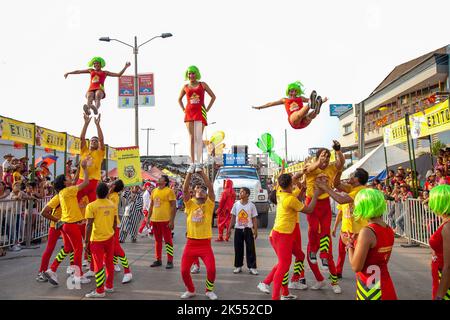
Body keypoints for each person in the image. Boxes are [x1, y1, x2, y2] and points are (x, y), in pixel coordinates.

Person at [258, 173, 320, 300]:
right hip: (282, 235)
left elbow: (297, 199)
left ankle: (271, 284)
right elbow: (309, 210)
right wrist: (316, 195)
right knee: (284, 265)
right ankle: (276, 296)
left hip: (282, 234)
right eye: (293, 183)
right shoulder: (289, 199)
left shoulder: (280, 193)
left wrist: (302, 188)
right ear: (290, 185)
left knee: (298, 257)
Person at [303, 140, 345, 292]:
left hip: (325, 204)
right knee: (313, 229)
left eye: (327, 157)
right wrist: (318, 161)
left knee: (325, 233)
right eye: (323, 156)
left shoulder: (331, 167)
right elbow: (311, 167)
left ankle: (334, 283)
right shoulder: (310, 166)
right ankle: (319, 278)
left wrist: (338, 151)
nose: (326, 159)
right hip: (312, 204)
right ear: (317, 158)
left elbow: (341, 163)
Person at [44, 159, 91, 286]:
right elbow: (86, 182)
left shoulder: (63, 192)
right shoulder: (68, 191)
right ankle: (78, 275)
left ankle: (52, 269)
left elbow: (75, 182)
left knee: (69, 248)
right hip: (70, 224)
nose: (70, 178)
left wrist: (79, 169)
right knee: (78, 249)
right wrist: (85, 168)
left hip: (66, 224)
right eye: (67, 178)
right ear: (64, 183)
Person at [346, 188, 397, 300]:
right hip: (385, 285)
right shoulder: (388, 229)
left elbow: (356, 266)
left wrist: (350, 246)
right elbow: (383, 260)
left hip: (370, 289)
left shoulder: (367, 231)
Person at [320, 168, 370, 279]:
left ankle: (364, 281)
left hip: (357, 233)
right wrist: (339, 169)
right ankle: (339, 271)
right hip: (347, 231)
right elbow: (336, 184)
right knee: (344, 254)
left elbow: (341, 200)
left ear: (357, 179)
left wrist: (326, 188)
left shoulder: (359, 191)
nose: (350, 177)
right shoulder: (353, 188)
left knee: (358, 260)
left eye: (352, 175)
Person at [180, 165, 218, 300]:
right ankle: (190, 290)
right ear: (194, 193)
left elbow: (211, 188)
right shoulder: (189, 204)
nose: (200, 191)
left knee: (212, 270)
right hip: (191, 244)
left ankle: (209, 290)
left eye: (203, 190)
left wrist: (202, 173)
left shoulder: (209, 205)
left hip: (205, 245)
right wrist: (189, 173)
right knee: (184, 271)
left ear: (206, 194)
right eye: (198, 189)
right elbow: (184, 189)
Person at [178, 65, 216, 170]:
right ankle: (192, 163)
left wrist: (207, 108)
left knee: (199, 138)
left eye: (193, 73)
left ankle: (198, 163)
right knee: (191, 138)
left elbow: (213, 96)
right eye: (189, 73)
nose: (191, 75)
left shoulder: (202, 85)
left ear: (197, 74)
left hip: (200, 112)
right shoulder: (185, 86)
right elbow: (179, 99)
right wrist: (183, 109)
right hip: (189, 113)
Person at [84, 183, 118, 298]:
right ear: (107, 192)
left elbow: (88, 225)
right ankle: (109, 286)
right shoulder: (112, 205)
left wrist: (86, 242)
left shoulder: (91, 206)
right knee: (109, 263)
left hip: (97, 240)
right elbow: (114, 222)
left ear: (96, 193)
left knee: (98, 265)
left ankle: (100, 291)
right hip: (109, 238)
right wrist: (111, 233)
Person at [64, 57, 131, 115]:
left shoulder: (105, 72)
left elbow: (118, 75)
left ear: (101, 64)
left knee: (97, 95)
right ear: (93, 65)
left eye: (98, 63)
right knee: (89, 96)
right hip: (91, 88)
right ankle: (88, 110)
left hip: (99, 88)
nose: (96, 64)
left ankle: (95, 108)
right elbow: (78, 71)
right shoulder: (91, 70)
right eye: (95, 63)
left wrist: (125, 67)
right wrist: (69, 73)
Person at [252, 81, 328, 130]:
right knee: (297, 114)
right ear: (288, 92)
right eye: (292, 91)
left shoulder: (300, 98)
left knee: (308, 117)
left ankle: (315, 111)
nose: (293, 93)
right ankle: (310, 105)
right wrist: (260, 107)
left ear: (297, 92)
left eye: (295, 91)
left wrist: (322, 101)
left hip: (304, 122)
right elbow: (271, 103)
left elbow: (314, 100)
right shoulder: (284, 100)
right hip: (294, 121)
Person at [227, 187, 258, 275]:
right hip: (238, 230)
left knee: (250, 249)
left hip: (248, 229)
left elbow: (254, 218)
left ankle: (252, 267)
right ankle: (238, 266)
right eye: (240, 192)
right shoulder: (236, 204)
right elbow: (232, 217)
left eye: (242, 192)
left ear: (247, 194)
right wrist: (229, 229)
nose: (240, 194)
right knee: (238, 248)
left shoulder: (251, 205)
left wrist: (255, 230)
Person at [148, 175, 176, 268]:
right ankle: (158, 259)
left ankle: (170, 260)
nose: (159, 179)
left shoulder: (169, 191)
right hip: (155, 220)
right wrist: (148, 218)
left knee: (168, 241)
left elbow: (173, 206)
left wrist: (172, 220)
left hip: (165, 220)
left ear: (165, 182)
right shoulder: (154, 191)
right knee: (157, 241)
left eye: (161, 179)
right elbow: (151, 205)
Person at [428, 185, 450, 300]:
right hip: (439, 276)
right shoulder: (445, 222)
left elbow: (449, 266)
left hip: (445, 280)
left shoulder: (447, 227)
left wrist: (439, 296)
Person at [108, 180, 132, 284]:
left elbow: (111, 211)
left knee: (116, 248)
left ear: (114, 186)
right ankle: (113, 264)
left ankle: (128, 271)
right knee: (111, 248)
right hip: (107, 225)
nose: (110, 184)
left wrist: (109, 191)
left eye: (112, 183)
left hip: (113, 225)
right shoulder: (112, 195)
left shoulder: (114, 196)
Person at [77, 113, 105, 203]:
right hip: (82, 180)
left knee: (92, 206)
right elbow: (82, 138)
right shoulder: (84, 151)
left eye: (95, 141)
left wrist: (98, 125)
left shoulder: (100, 152)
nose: (93, 142)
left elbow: (101, 139)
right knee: (75, 202)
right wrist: (86, 123)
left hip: (93, 182)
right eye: (92, 140)